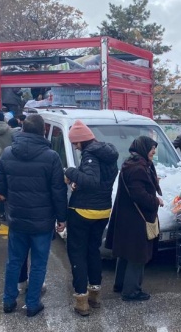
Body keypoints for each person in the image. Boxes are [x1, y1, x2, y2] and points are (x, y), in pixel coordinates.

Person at [0, 114, 67, 317]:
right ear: (43, 131)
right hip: (42, 221)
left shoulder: (8, 153)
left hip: (16, 218)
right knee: (39, 263)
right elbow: (58, 191)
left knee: (14, 261)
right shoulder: (51, 156)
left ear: (22, 129)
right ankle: (32, 304)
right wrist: (62, 218)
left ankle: (8, 301)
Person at [62, 120, 119, 316]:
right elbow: (101, 181)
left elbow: (92, 181)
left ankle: (81, 300)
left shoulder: (89, 155)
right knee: (93, 252)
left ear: (81, 142)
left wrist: (70, 172)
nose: (75, 148)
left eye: (75, 144)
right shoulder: (108, 154)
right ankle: (95, 294)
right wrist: (81, 183)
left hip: (83, 212)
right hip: (103, 210)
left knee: (77, 253)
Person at [105, 136, 163, 302]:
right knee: (138, 255)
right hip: (136, 218)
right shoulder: (138, 168)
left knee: (125, 253)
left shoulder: (131, 164)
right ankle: (131, 291)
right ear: (144, 148)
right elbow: (139, 194)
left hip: (127, 217)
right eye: (152, 149)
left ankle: (120, 284)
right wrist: (156, 200)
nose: (153, 152)